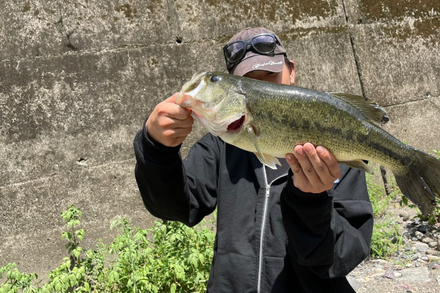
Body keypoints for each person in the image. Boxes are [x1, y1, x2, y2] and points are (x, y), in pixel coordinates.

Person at [134, 27, 374, 293]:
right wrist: (156, 148)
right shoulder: (219, 146)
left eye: (270, 76)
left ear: (291, 71)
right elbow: (178, 207)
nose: (263, 89)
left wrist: (312, 201)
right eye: (251, 83)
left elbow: (344, 256)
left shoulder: (333, 152)